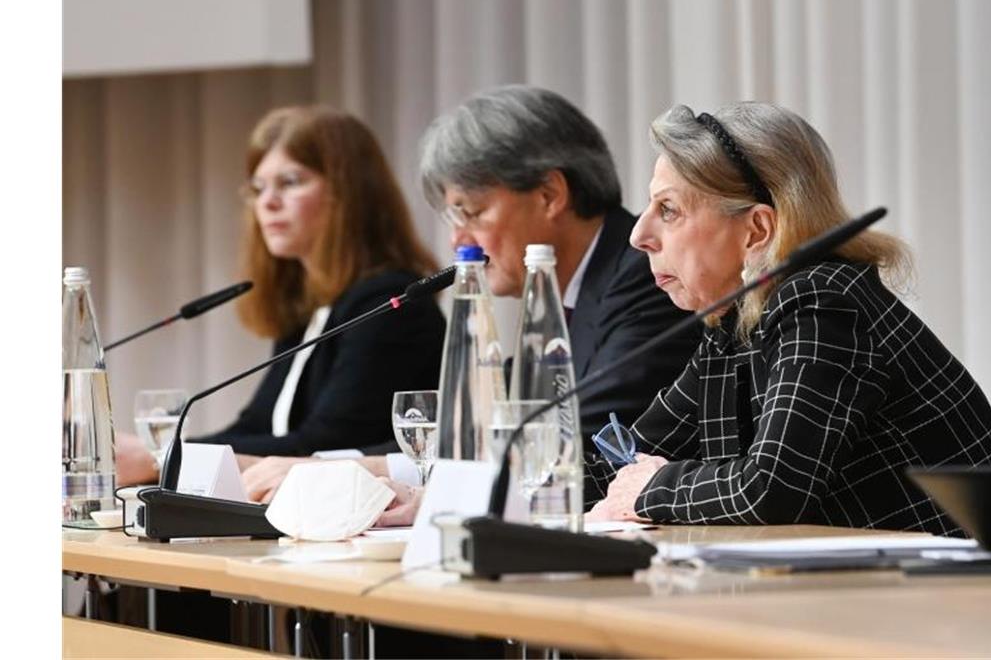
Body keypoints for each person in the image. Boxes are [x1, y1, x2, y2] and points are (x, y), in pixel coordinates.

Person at [241, 85, 700, 506]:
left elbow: (572, 442)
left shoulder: (645, 275)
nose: (460, 244)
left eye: (472, 213)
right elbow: (472, 433)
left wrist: (349, 469)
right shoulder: (556, 298)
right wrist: (336, 468)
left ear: (549, 195)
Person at [584, 102, 991, 533]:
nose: (639, 236)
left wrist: (653, 487)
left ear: (757, 230)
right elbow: (620, 466)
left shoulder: (823, 303)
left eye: (669, 210)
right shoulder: (734, 327)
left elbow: (772, 489)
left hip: (966, 590)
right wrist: (528, 485)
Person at [116, 105, 446, 485]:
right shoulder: (311, 305)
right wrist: (162, 455)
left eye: (290, 182)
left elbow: (324, 445)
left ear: (349, 193)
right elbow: (259, 424)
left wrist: (161, 459)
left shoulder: (391, 306)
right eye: (257, 189)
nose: (267, 203)